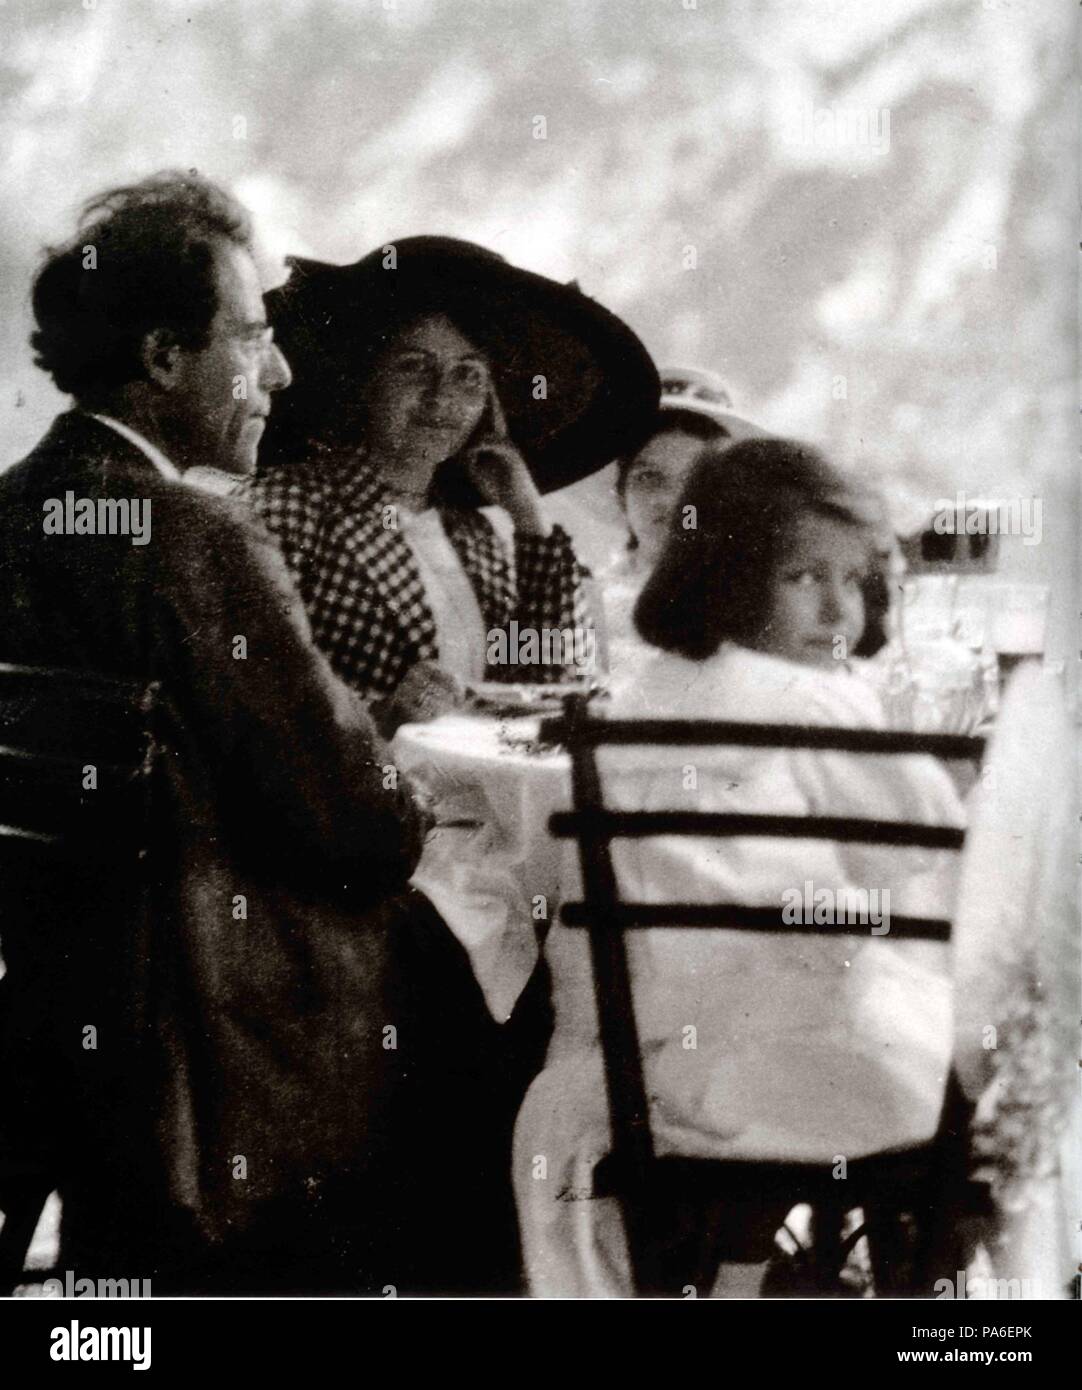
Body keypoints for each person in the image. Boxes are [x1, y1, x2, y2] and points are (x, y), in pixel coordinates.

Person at [0, 171, 454, 1293]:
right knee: (496, 1010)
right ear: (164, 358)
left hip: (59, 1034)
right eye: (252, 339)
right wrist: (420, 791)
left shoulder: (17, 509)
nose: (283, 373)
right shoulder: (195, 539)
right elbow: (357, 823)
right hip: (222, 1059)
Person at [513, 437, 967, 1296]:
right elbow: (926, 844)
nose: (840, 610)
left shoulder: (642, 696)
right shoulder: (812, 699)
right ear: (729, 573)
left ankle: (741, 1278)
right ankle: (944, 1305)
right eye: (803, 577)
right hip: (796, 1075)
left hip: (640, 1078)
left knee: (806, 977)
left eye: (852, 578)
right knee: (999, 1057)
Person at [244, 236, 660, 730]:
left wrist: (528, 518)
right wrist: (383, 714)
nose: (441, 399)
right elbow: (252, 694)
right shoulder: (287, 508)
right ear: (365, 382)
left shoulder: (475, 536)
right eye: (415, 368)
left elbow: (549, 683)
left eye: (468, 376)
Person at [601, 367, 766, 678]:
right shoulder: (584, 604)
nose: (672, 501)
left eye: (694, 480)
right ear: (621, 495)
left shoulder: (761, 605)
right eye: (649, 478)